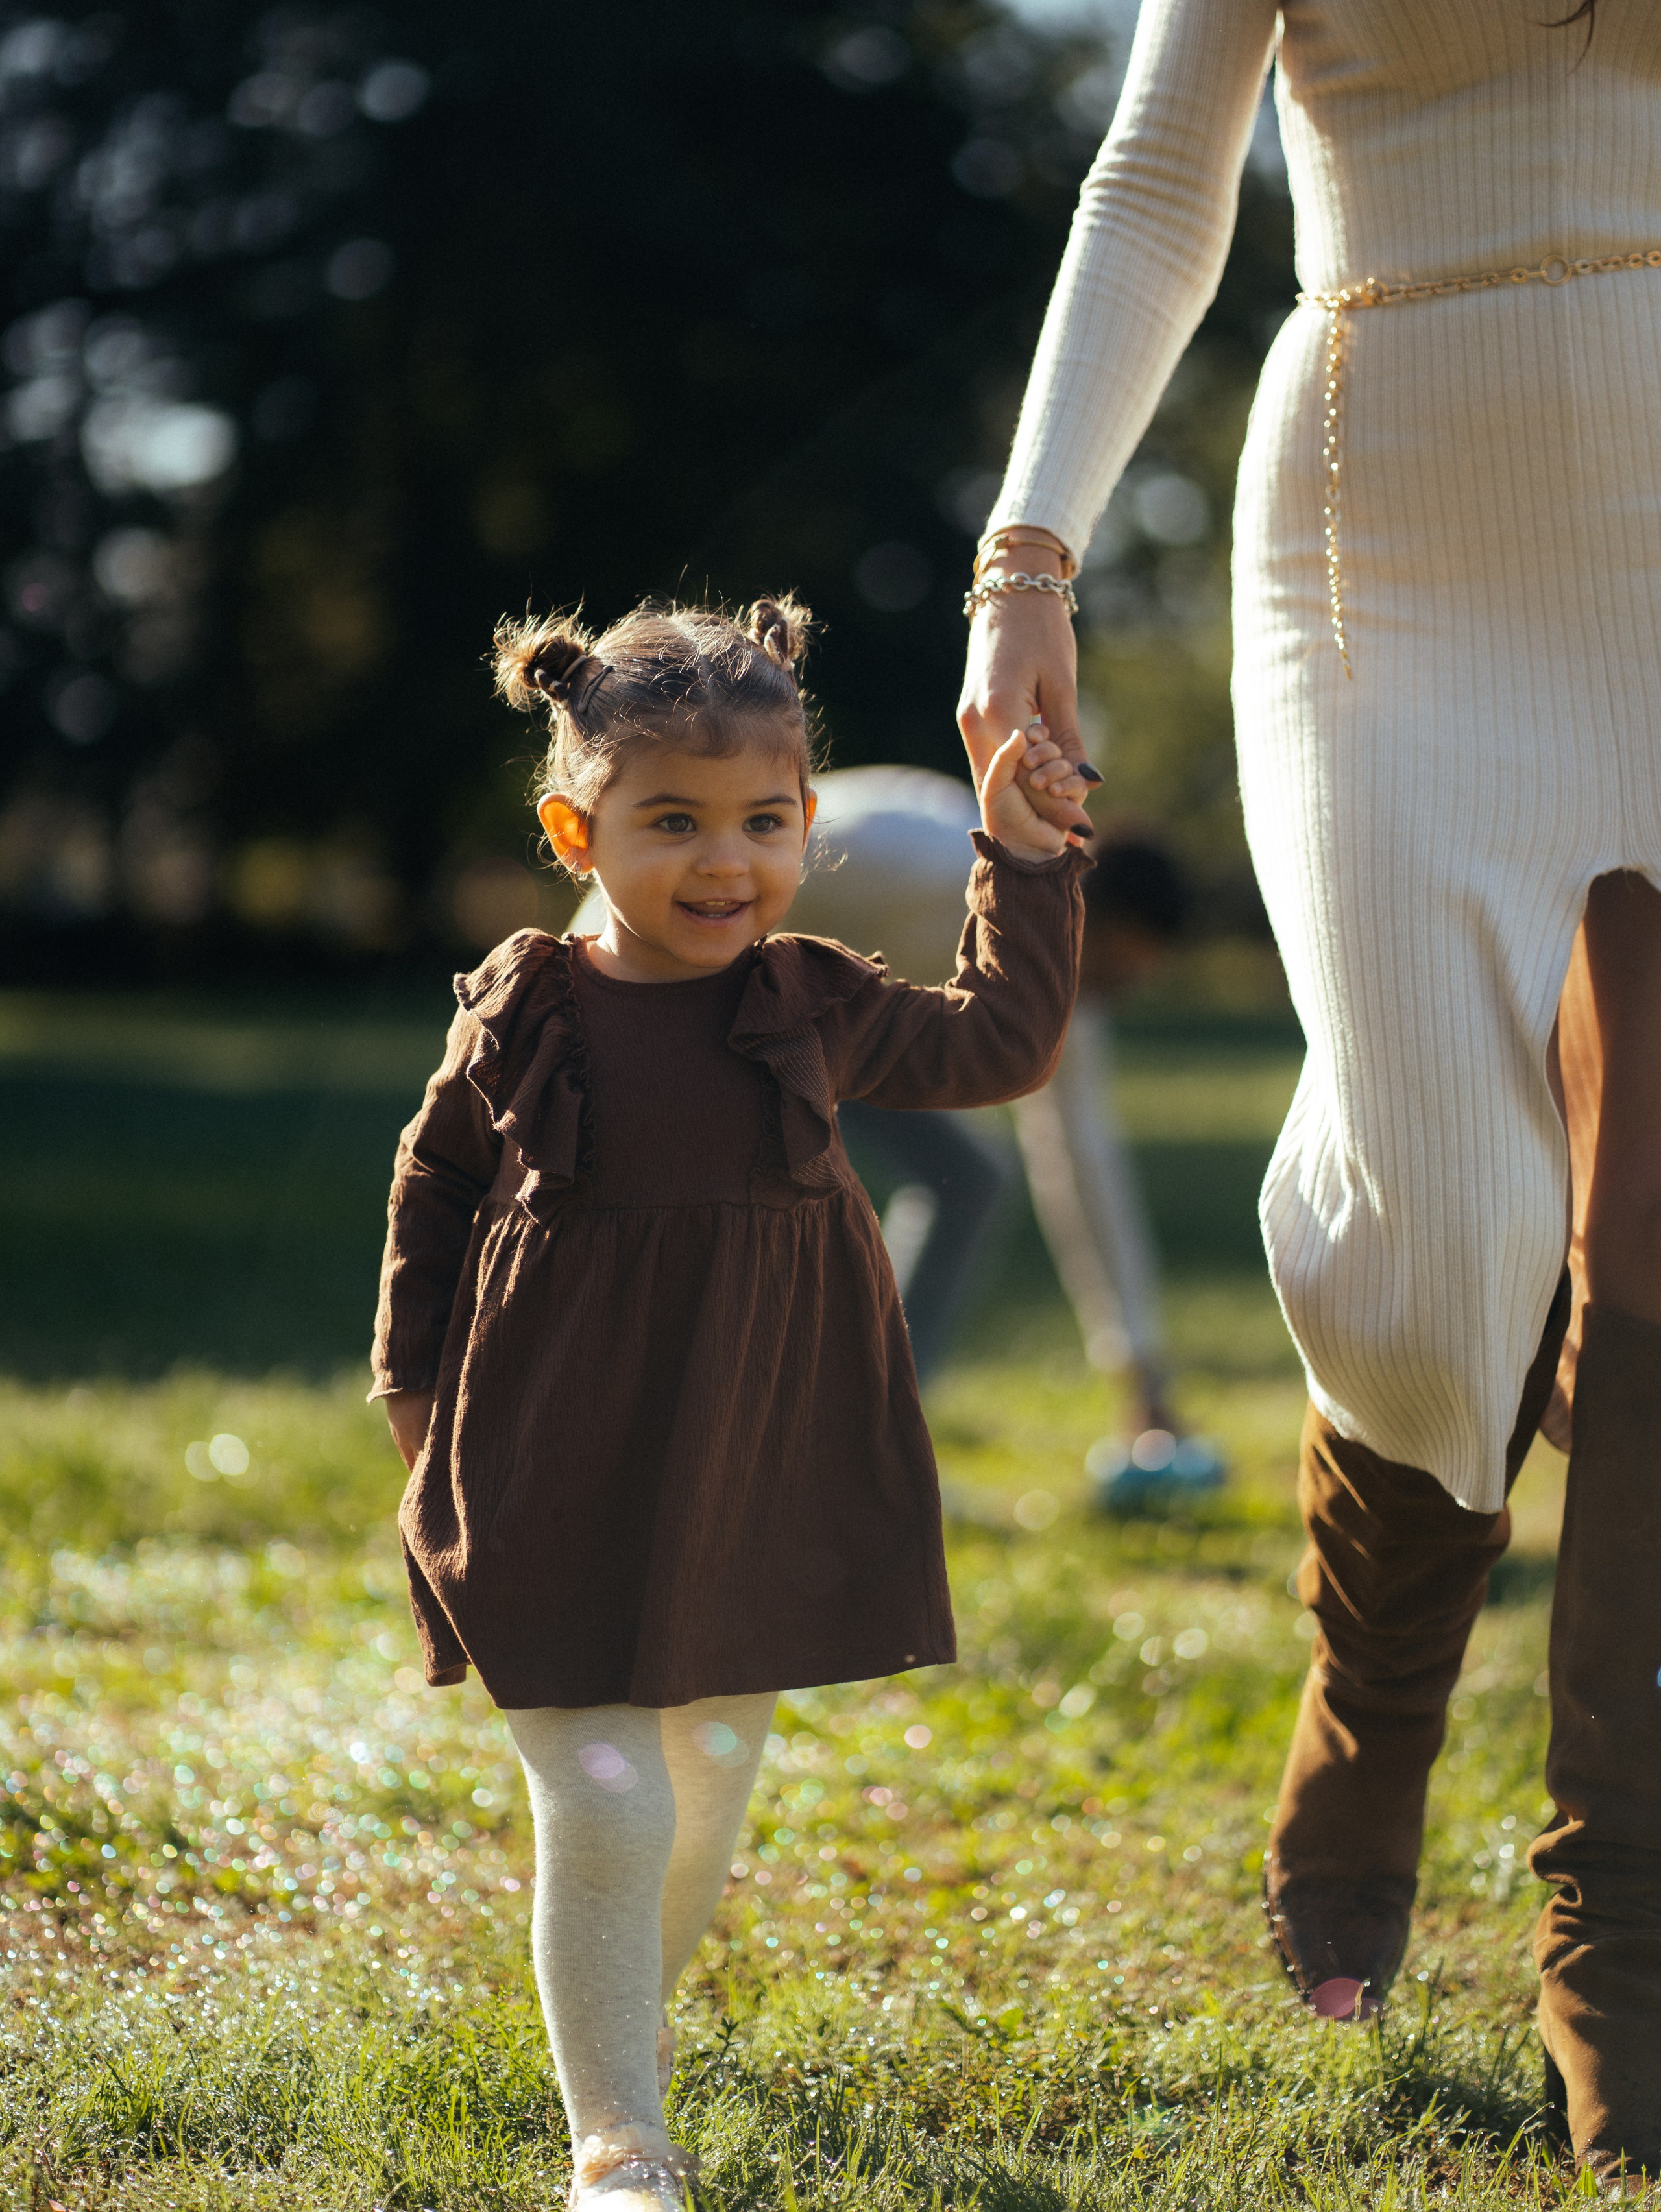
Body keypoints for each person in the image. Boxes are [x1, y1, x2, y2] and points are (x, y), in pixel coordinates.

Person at [955, 0, 1661, 2183]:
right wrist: (1025, 559)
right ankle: (1372, 1721)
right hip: (1386, 526)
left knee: (1657, 1224)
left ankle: (1620, 1926)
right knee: (1440, 1230)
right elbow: (1163, 174)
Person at [369, 594, 1089, 2212]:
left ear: (806, 826)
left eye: (762, 822)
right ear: (576, 829)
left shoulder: (810, 1002)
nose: (722, 862)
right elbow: (433, 1185)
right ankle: (617, 2139)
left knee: (708, 1772)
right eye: (671, 822)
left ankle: (625, 2018)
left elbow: (1001, 1045)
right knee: (608, 1790)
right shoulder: (528, 1009)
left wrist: (1024, 860)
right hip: (551, 1457)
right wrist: (410, 1386)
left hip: (749, 1461)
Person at [788, 766, 1222, 1501]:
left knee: (969, 1182)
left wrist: (1139, 1372)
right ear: (1079, 902)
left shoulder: (1059, 994)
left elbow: (1084, 1167)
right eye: (1111, 968)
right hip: (691, 997)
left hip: (829, 1034)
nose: (1099, 996)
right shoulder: (920, 862)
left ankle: (871, 1443)